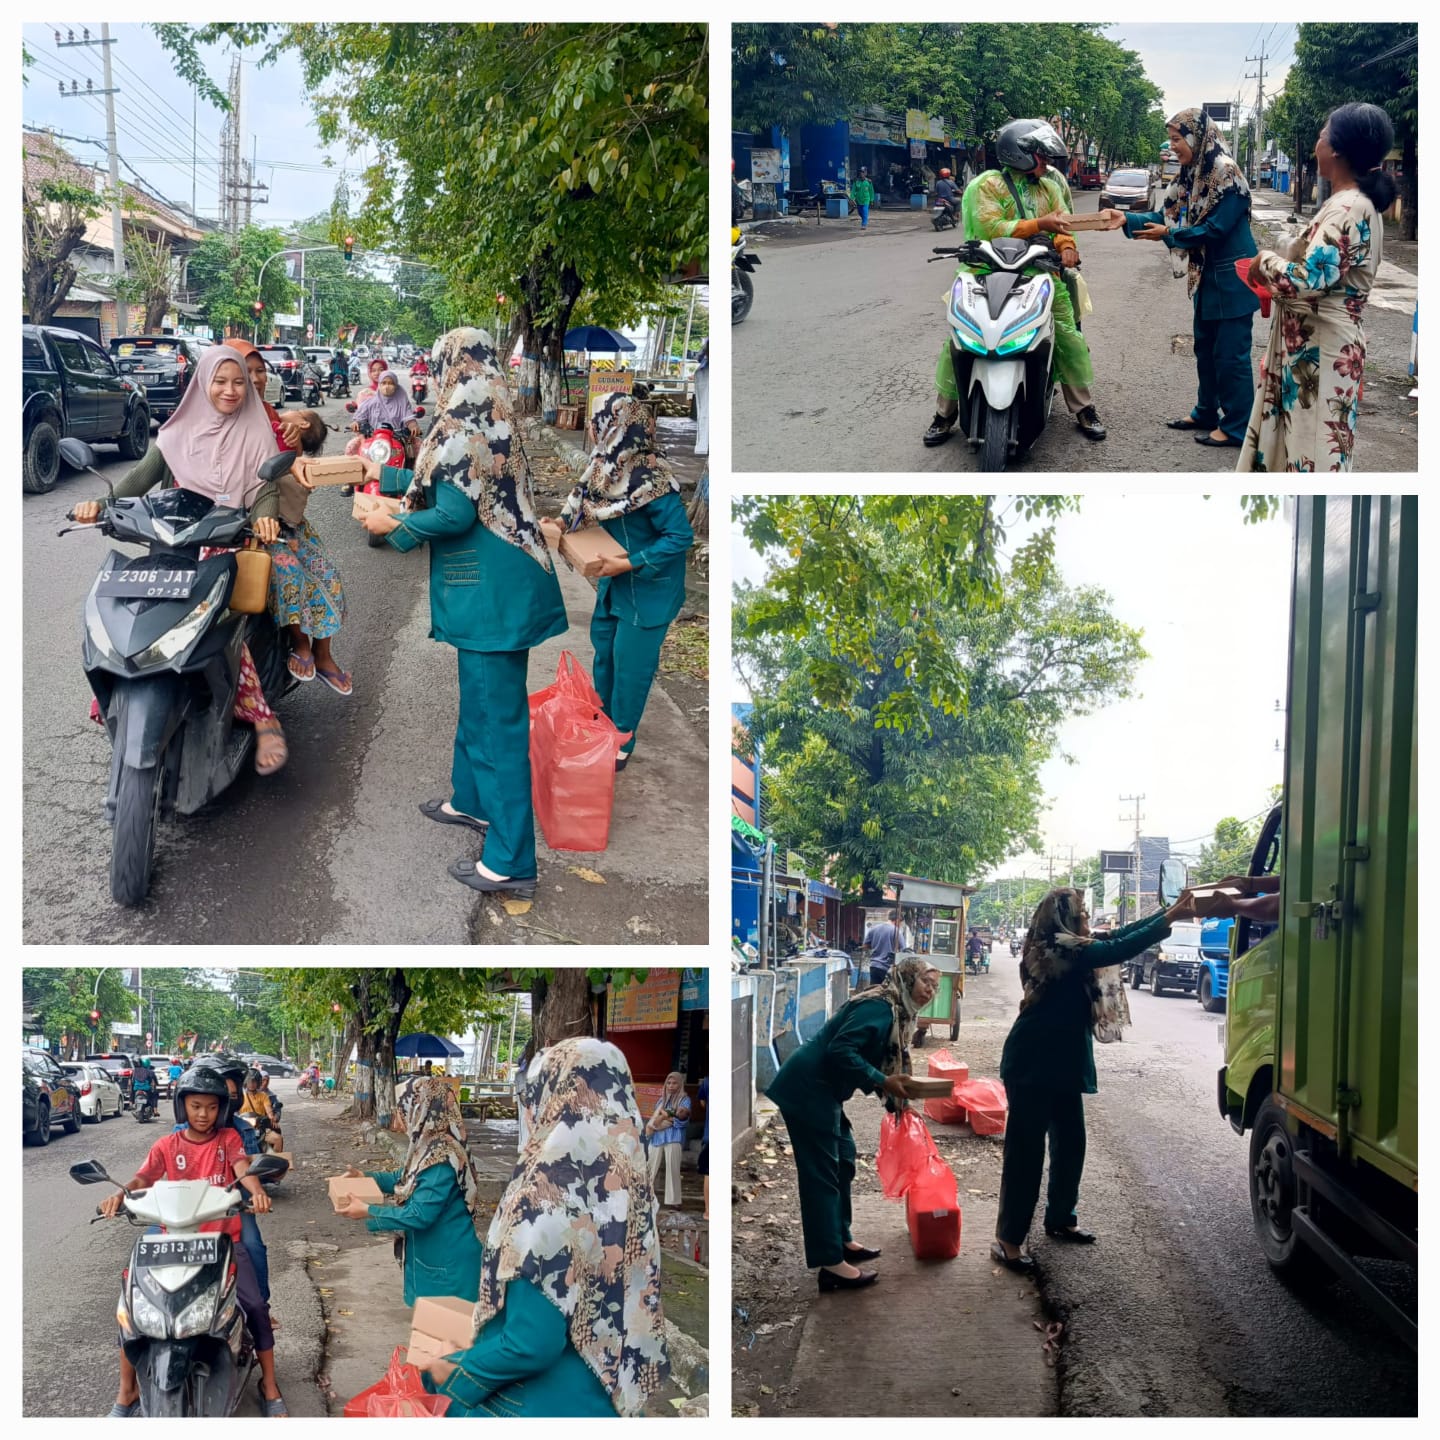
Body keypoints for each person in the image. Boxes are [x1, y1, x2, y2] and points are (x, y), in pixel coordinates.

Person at [357, 328, 567, 896]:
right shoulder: (489, 412)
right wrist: (384, 477)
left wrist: (391, 521)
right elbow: (454, 483)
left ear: (448, 365)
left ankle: (510, 861)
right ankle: (470, 801)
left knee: (498, 725)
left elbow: (453, 515)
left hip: (491, 593)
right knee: (477, 706)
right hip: (499, 584)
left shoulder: (459, 424)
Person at [416, 1038, 669, 1417]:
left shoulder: (546, 1192)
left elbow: (531, 1342)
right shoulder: (628, 1189)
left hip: (535, 1402)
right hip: (604, 1392)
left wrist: (452, 1376)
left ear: (549, 1097)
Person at [72, 345, 290, 776]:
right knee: (128, 610)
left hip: (226, 542)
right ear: (201, 384)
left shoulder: (257, 432)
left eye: (238, 383)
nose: (230, 391)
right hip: (173, 546)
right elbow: (138, 479)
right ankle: (119, 684)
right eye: (220, 381)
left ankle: (263, 718)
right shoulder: (176, 434)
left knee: (224, 626)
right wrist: (100, 503)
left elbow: (265, 490)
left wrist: (264, 520)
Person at [993, 887, 1196, 1272]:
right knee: (1026, 1154)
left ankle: (1061, 1218)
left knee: (1072, 1143)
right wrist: (1169, 919)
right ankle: (1008, 1239)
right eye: (1081, 910)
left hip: (1064, 1062)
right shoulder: (1055, 946)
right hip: (1033, 1061)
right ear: (1064, 916)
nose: (1086, 916)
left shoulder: (1075, 943)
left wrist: (1171, 913)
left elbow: (1116, 938)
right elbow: (1112, 951)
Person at [100, 1066, 286, 1417]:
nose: (204, 1114)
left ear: (222, 1109)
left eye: (212, 1107)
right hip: (173, 1244)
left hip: (220, 1243)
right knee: (132, 1310)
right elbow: (144, 1176)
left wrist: (258, 1192)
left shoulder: (228, 1140)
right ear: (182, 1106)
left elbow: (242, 1169)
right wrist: (120, 1194)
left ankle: (270, 1383)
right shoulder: (167, 1144)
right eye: (196, 1106)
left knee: (257, 1307)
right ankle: (126, 1392)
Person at [923, 119, 1107, 447]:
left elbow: (1063, 227)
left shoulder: (1050, 187)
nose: (1046, 163)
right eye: (1041, 156)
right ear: (1020, 153)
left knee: (1065, 331)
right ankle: (944, 414)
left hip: (1037, 271)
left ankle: (1083, 407)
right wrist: (1039, 222)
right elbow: (989, 226)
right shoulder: (986, 185)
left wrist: (1067, 248)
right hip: (984, 270)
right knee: (962, 336)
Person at [540, 392, 694, 770]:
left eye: (600, 422)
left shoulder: (652, 477)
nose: (594, 429)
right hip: (613, 575)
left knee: (631, 664)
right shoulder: (603, 466)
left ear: (616, 427)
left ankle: (622, 737)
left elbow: (680, 538)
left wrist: (632, 564)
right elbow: (581, 501)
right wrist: (561, 523)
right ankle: (603, 720)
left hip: (649, 585)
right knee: (605, 651)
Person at [1238, 102, 1395, 473]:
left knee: (1311, 454)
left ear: (1337, 149)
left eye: (1323, 135)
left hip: (1323, 353)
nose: (1316, 143)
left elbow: (1307, 282)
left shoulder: (1349, 208)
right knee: (1296, 445)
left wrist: (1264, 262)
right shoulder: (1347, 204)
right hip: (1313, 346)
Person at [766, 957, 941, 1290]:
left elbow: (876, 1058)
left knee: (844, 1160)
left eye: (935, 986)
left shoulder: (895, 1010)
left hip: (826, 1091)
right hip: (808, 1089)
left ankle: (841, 1239)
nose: (930, 991)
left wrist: (897, 1099)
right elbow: (840, 1051)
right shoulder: (878, 1007)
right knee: (821, 1176)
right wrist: (882, 1081)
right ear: (906, 980)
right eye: (925, 983)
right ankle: (830, 1264)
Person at [1116, 107, 1258, 449]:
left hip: (1233, 278)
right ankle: (1207, 410)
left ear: (1197, 137)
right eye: (1172, 139)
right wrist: (1123, 220)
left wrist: (1169, 234)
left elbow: (1214, 229)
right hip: (1207, 276)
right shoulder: (1190, 175)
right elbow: (1167, 215)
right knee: (1205, 349)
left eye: (1177, 139)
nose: (1173, 146)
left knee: (1231, 356)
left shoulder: (1226, 173)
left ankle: (1238, 425)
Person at [224, 339, 351, 695]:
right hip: (234, 527)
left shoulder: (271, 418)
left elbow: (270, 482)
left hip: (276, 523)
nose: (253, 379)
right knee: (290, 573)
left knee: (328, 574)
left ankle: (322, 654)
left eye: (259, 371)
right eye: (240, 374)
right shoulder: (206, 421)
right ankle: (302, 644)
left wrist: (294, 446)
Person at [334, 1077, 485, 1303]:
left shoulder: (441, 1157)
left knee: (445, 1333)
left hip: (448, 1263)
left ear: (420, 1109)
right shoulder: (429, 1146)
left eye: (402, 1109)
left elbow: (420, 1215)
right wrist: (364, 1177)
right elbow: (405, 1178)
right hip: (435, 1256)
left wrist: (370, 1211)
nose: (398, 1120)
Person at [192, 1054, 273, 1304]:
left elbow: (245, 1169)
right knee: (149, 1246)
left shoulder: (239, 1132)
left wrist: (258, 1193)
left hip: (233, 1208)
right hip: (188, 1209)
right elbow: (150, 1176)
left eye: (231, 1090)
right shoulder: (174, 1137)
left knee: (253, 1247)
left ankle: (262, 1309)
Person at [645, 1072, 691, 1207]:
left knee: (673, 1169)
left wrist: (665, 1117)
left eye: (674, 1083)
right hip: (657, 1137)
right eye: (669, 1083)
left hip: (673, 1137)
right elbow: (657, 1121)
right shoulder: (661, 1100)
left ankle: (674, 1201)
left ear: (680, 1084)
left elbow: (682, 1120)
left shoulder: (684, 1100)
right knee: (650, 1167)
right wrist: (667, 1117)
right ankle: (644, 1196)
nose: (671, 1086)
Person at [240, 1067, 284, 1151]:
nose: (252, 1083)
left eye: (254, 1081)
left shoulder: (263, 1096)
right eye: (249, 1081)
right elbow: (235, 1111)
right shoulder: (241, 1096)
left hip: (261, 1128)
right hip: (243, 1128)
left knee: (278, 1139)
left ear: (258, 1082)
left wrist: (272, 1117)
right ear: (245, 1082)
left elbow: (268, 1109)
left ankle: (276, 1161)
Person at [863, 910, 902, 985]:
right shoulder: (896, 931)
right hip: (887, 968)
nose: (900, 925)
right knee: (887, 993)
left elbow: (865, 946)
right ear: (897, 920)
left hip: (874, 966)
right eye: (900, 923)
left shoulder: (874, 929)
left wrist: (876, 945)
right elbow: (903, 950)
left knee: (874, 992)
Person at [695, 1074, 709, 1220]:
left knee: (709, 1173)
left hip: (709, 1134)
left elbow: (702, 1104)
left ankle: (708, 1210)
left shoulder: (706, 1082)